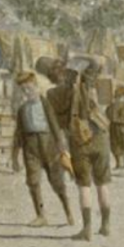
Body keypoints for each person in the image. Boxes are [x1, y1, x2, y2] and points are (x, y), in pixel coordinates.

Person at [45, 57, 112, 241]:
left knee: (84, 186)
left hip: (78, 141)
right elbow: (97, 64)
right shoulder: (85, 82)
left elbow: (56, 126)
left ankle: (87, 229)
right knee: (103, 184)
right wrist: (83, 57)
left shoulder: (51, 95)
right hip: (99, 137)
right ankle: (105, 225)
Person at [12, 70, 73, 226]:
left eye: (29, 88)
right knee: (33, 182)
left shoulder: (45, 103)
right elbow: (18, 133)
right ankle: (41, 216)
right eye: (24, 89)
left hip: (48, 145)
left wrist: (61, 148)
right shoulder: (22, 109)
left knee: (57, 182)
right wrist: (14, 156)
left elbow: (54, 124)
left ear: (36, 86)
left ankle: (69, 213)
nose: (27, 92)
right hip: (30, 147)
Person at [107, 85, 124, 170]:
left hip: (115, 127)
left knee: (117, 145)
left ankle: (120, 163)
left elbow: (108, 114)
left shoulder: (112, 105)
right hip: (123, 128)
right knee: (123, 145)